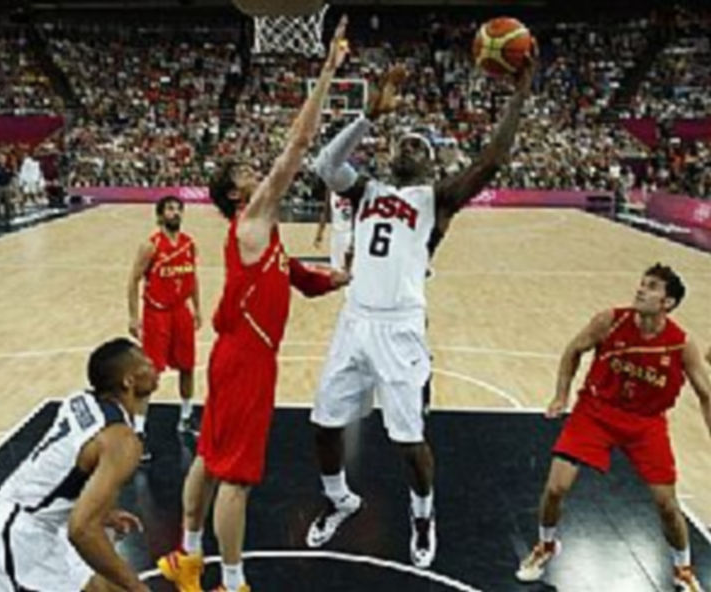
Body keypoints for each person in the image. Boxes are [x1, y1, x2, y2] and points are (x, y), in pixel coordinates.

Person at [304, 57, 534, 568]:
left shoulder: (439, 199)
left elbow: (491, 161)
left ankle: (423, 513)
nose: (409, 148)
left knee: (409, 441)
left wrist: (519, 95)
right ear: (389, 154)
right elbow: (323, 166)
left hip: (401, 330)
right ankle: (339, 498)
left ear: (430, 164)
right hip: (354, 321)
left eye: (420, 146)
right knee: (323, 423)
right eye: (403, 142)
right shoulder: (366, 192)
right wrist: (369, 115)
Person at [156, 16, 351, 592]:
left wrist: (337, 279)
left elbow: (292, 275)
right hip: (246, 363)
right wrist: (326, 72)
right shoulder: (255, 215)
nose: (256, 172)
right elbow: (297, 146)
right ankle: (233, 582)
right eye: (246, 173)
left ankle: (188, 559)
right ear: (238, 194)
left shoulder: (259, 235)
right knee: (236, 479)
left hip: (235, 355)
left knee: (207, 460)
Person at [515, 264, 711, 591]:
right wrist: (560, 395)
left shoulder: (680, 344)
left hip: (646, 424)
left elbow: (706, 393)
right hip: (595, 412)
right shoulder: (610, 321)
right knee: (555, 488)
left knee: (666, 504)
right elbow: (572, 351)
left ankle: (683, 568)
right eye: (641, 283)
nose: (640, 290)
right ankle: (546, 546)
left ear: (668, 302)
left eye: (651, 287)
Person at [0, 338, 158, 592]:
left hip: (38, 523)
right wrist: (137, 586)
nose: (153, 365)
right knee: (124, 585)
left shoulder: (80, 401)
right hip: (17, 537)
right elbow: (81, 530)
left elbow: (66, 467)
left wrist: (101, 513)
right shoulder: (122, 441)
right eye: (145, 363)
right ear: (128, 381)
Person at [128, 195, 201, 440]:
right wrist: (133, 317)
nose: (176, 213)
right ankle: (138, 429)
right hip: (156, 313)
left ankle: (186, 417)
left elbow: (193, 279)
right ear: (160, 215)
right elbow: (133, 280)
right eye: (170, 209)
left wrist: (197, 308)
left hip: (181, 311)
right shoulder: (150, 246)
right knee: (150, 371)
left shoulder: (189, 244)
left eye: (179, 209)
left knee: (188, 366)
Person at [313, 180, 353, 272]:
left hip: (351, 233)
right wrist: (319, 233)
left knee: (351, 269)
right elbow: (326, 212)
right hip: (337, 234)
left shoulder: (355, 189)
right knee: (336, 269)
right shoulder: (330, 190)